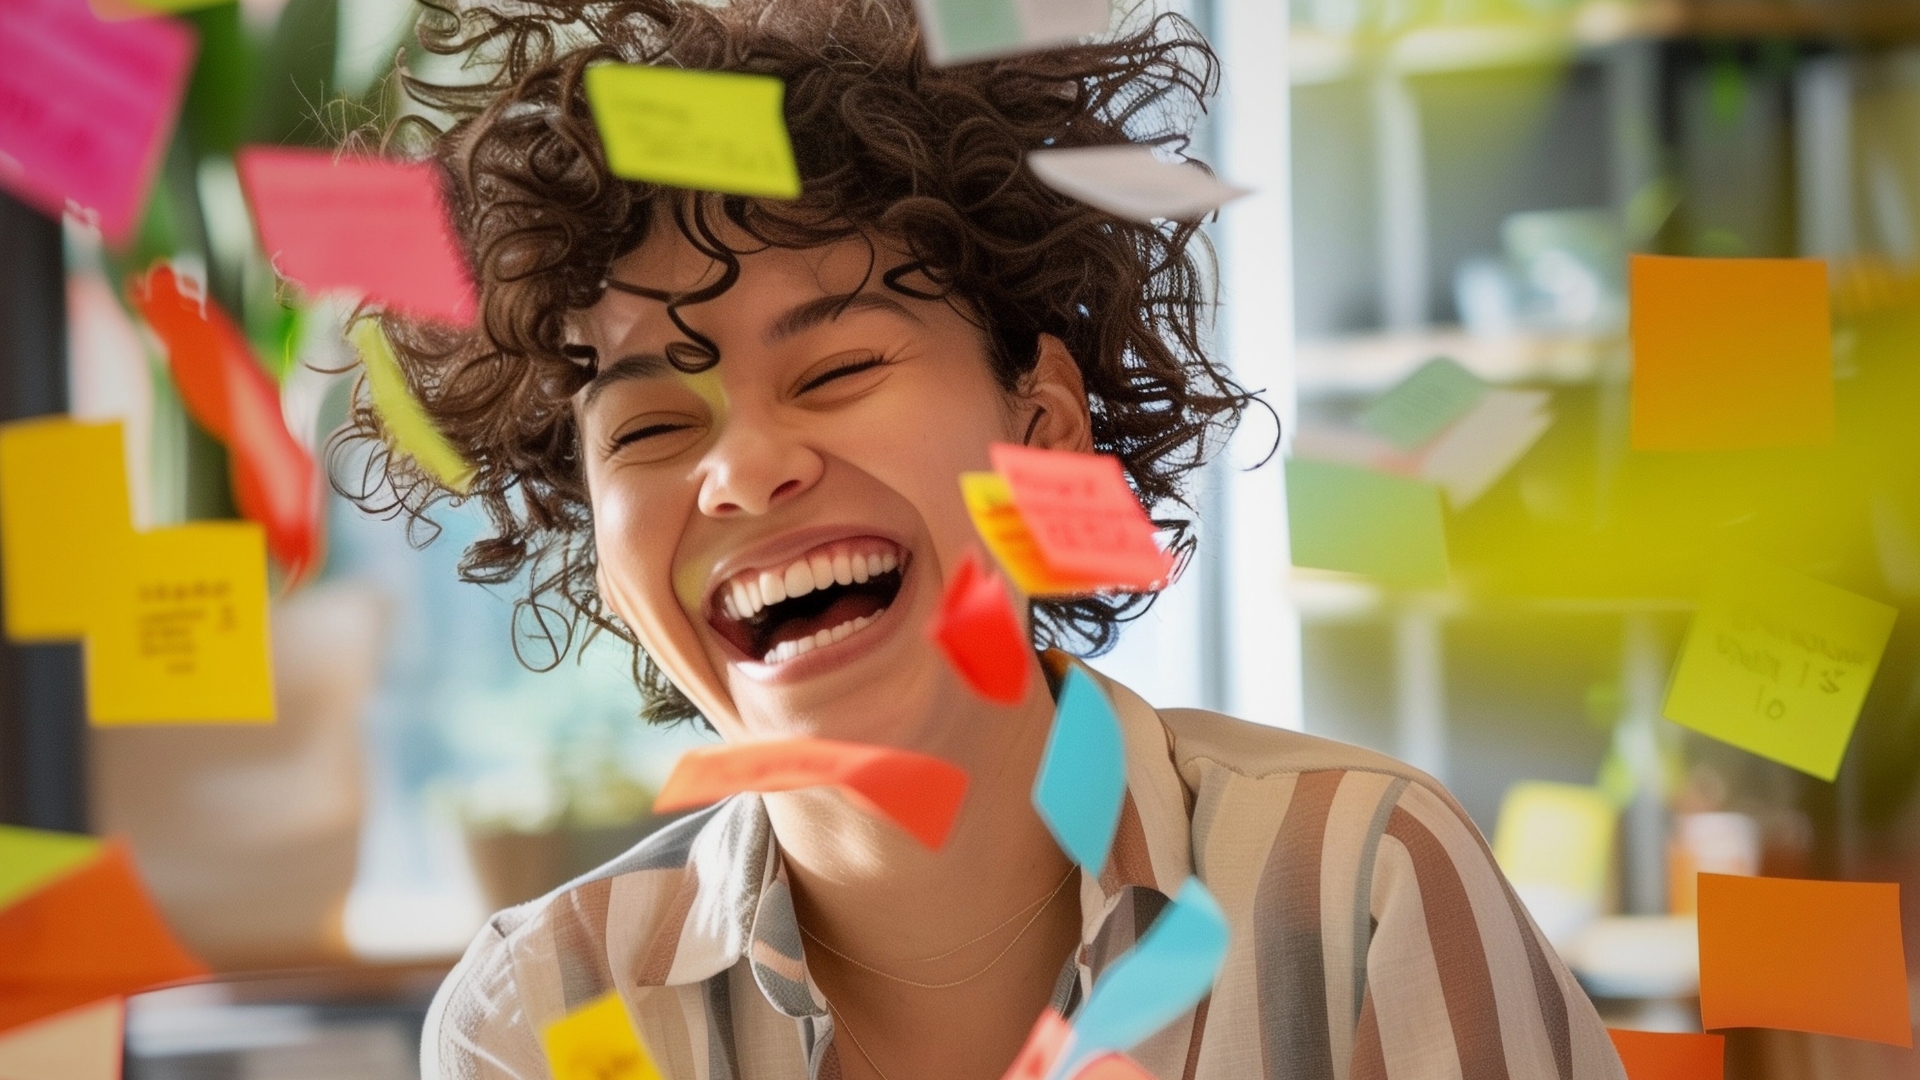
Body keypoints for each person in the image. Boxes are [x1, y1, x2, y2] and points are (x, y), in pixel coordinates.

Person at [352, 0, 1626, 1077]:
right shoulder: (552, 1017)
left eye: (839, 366)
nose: (742, 470)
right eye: (646, 432)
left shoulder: (1360, 893)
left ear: (1045, 425)